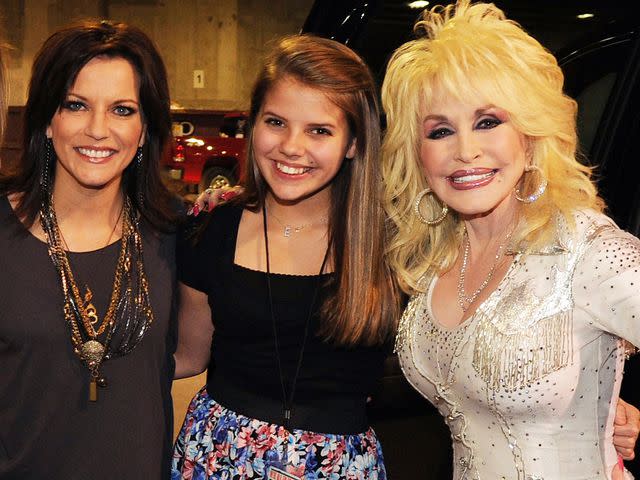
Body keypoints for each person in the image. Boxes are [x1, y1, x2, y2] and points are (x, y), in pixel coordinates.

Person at [381, 0, 640, 478]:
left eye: (488, 122)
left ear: (530, 132)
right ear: (417, 154)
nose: (465, 151)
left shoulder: (587, 249)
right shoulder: (436, 260)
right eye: (440, 130)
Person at [171, 34, 401, 479]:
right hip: (216, 457)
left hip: (340, 467)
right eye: (276, 122)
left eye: (319, 130)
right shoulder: (212, 227)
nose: (292, 146)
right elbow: (188, 355)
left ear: (353, 143)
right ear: (253, 124)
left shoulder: (392, 242)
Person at [0, 21, 177, 479]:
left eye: (122, 110)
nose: (98, 130)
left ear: (145, 129)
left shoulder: (177, 233)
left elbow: (193, 351)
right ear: (46, 119)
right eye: (75, 105)